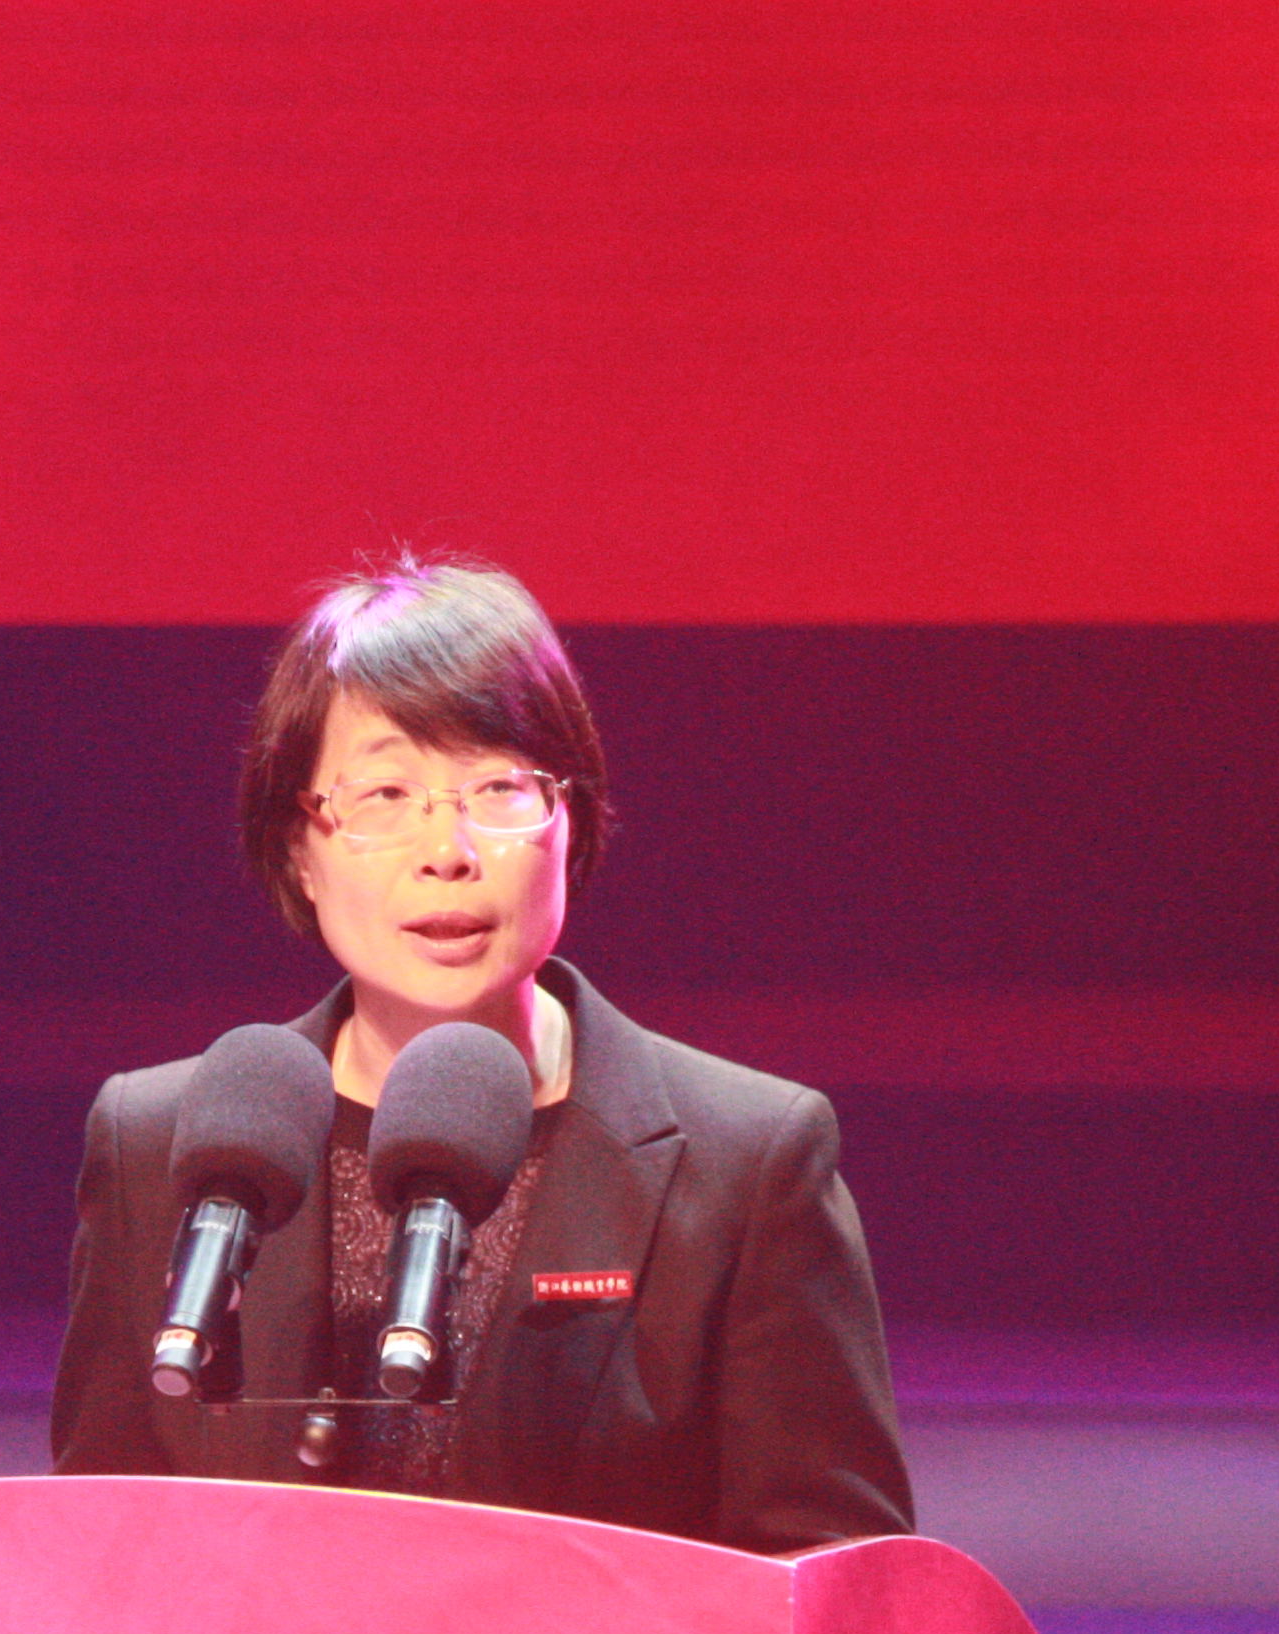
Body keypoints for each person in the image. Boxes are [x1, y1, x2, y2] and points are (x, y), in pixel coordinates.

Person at [50, 556, 909, 1554]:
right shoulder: (160, 1144)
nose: (446, 850)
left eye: (498, 788)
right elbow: (97, 1552)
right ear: (297, 848)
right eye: (385, 793)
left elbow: (831, 1585)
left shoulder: (746, 1161)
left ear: (571, 822)